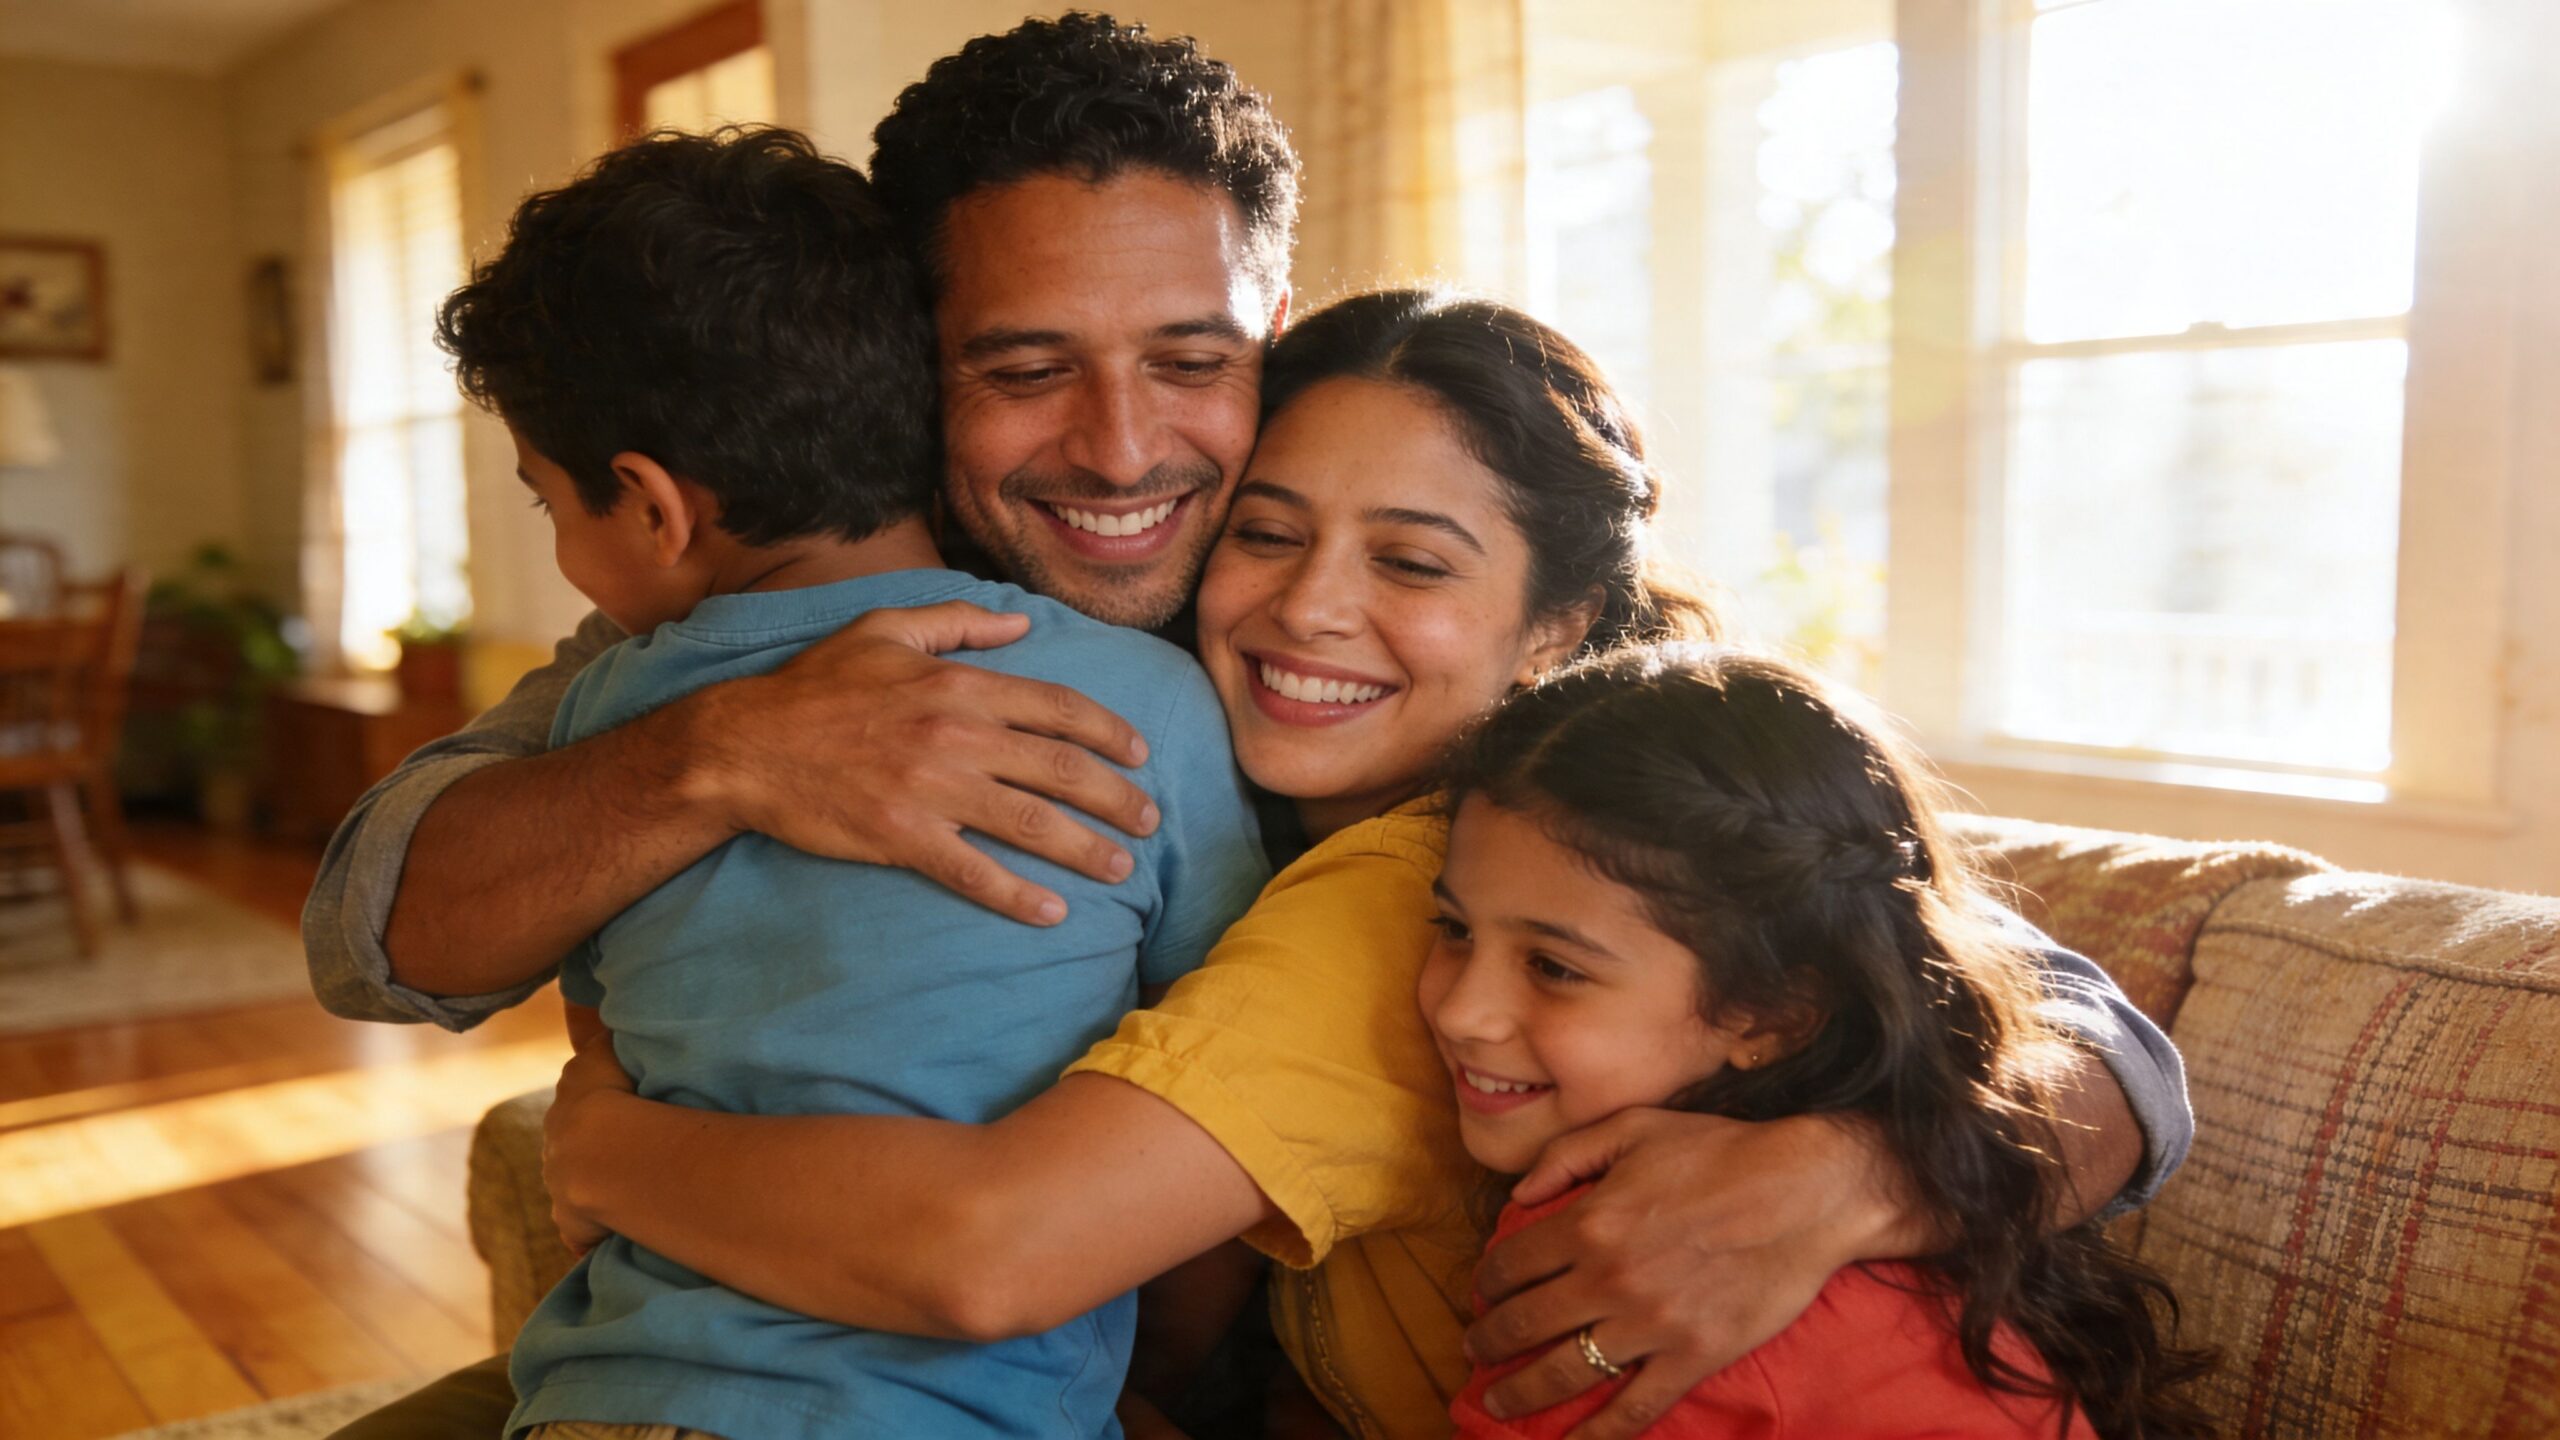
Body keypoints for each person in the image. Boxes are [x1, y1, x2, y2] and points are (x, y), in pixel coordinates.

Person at [314, 17, 2184, 1439]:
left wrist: (1858, 1166)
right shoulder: (804, 613)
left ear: (1267, 333)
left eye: (1192, 363)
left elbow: (2046, 1007)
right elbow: (375, 937)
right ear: (914, 368)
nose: (1125, 454)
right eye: (1024, 365)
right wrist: (712, 758)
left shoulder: (1552, 768)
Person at [432, 126, 1267, 1440]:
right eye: (1034, 366)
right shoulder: (1150, 704)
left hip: (605, 1399)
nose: (1113, 446)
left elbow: (608, 1050)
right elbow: (1221, 1096)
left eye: (550, 505)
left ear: (650, 507)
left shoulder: (608, 715)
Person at [1424, 645, 2214, 1440]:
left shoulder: (1661, 1259)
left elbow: (2127, 1063)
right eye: (1451, 929)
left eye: (1554, 967)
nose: (1463, 1012)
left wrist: (1861, 1173)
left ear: (1774, 1016)